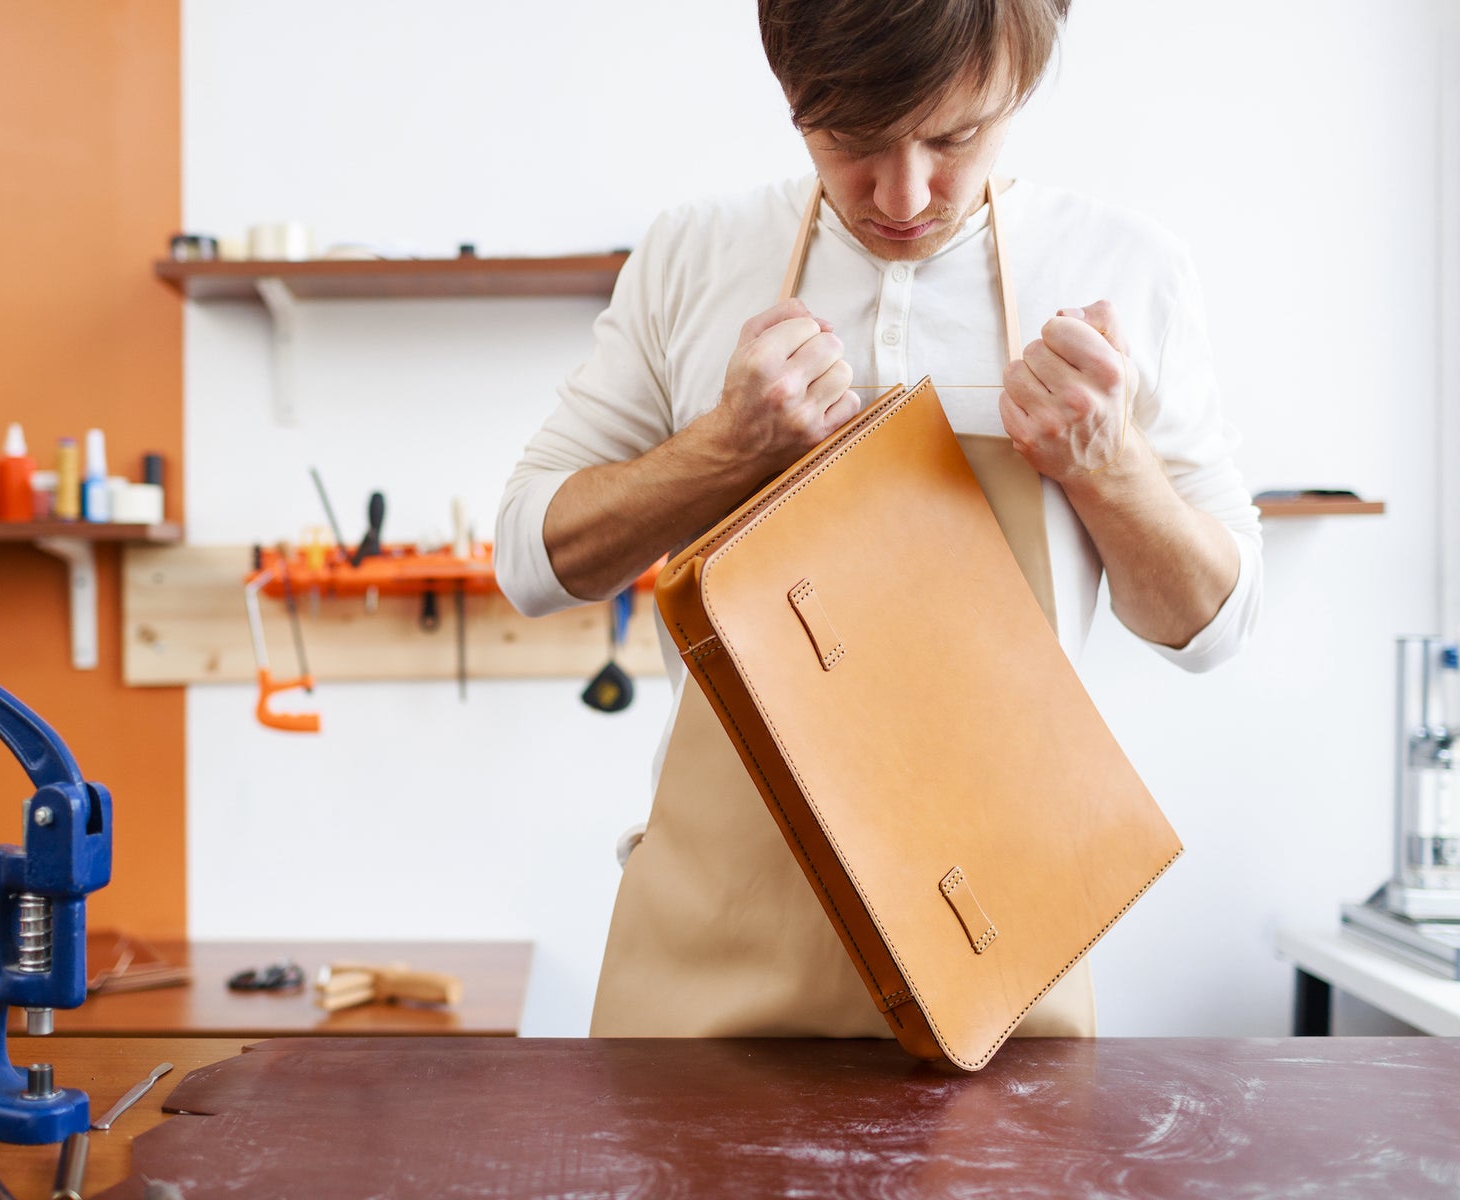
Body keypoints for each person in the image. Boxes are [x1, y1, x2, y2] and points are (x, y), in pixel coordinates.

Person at [495, 0, 1262, 1038]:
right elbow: (531, 559)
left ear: (1021, 87)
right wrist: (725, 448)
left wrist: (1112, 469)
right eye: (850, 139)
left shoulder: (1126, 268)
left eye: (953, 138)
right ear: (790, 94)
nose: (903, 195)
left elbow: (1213, 629)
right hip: (705, 976)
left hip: (1002, 972)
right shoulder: (692, 255)